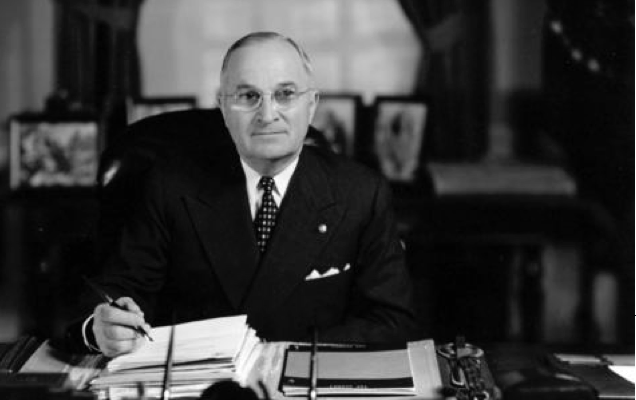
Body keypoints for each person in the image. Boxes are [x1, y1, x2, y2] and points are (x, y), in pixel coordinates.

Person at [68, 32, 418, 357]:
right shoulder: (170, 185)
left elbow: (392, 319)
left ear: (311, 105)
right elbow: (112, 293)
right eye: (249, 96)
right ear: (222, 107)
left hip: (306, 380)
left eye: (285, 94)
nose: (267, 115)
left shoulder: (361, 192)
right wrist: (100, 328)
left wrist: (286, 355)